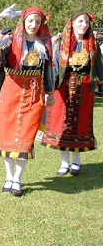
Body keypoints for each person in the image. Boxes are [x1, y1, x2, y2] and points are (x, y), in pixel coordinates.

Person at [0, 6, 55, 197]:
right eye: (30, 21)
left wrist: (50, 93)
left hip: (34, 97)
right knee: (7, 137)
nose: (33, 25)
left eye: (37, 21)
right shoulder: (10, 42)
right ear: (23, 21)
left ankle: (18, 179)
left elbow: (47, 71)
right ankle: (8, 177)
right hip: (10, 94)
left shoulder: (43, 46)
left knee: (26, 138)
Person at [39, 13, 103, 176]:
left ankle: (76, 161)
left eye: (86, 22)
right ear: (72, 23)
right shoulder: (62, 43)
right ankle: (64, 162)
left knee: (80, 124)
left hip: (84, 88)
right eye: (80, 21)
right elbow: (53, 65)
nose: (84, 24)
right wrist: (49, 88)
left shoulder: (92, 43)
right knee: (62, 123)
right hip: (63, 87)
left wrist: (98, 81)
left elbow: (98, 65)